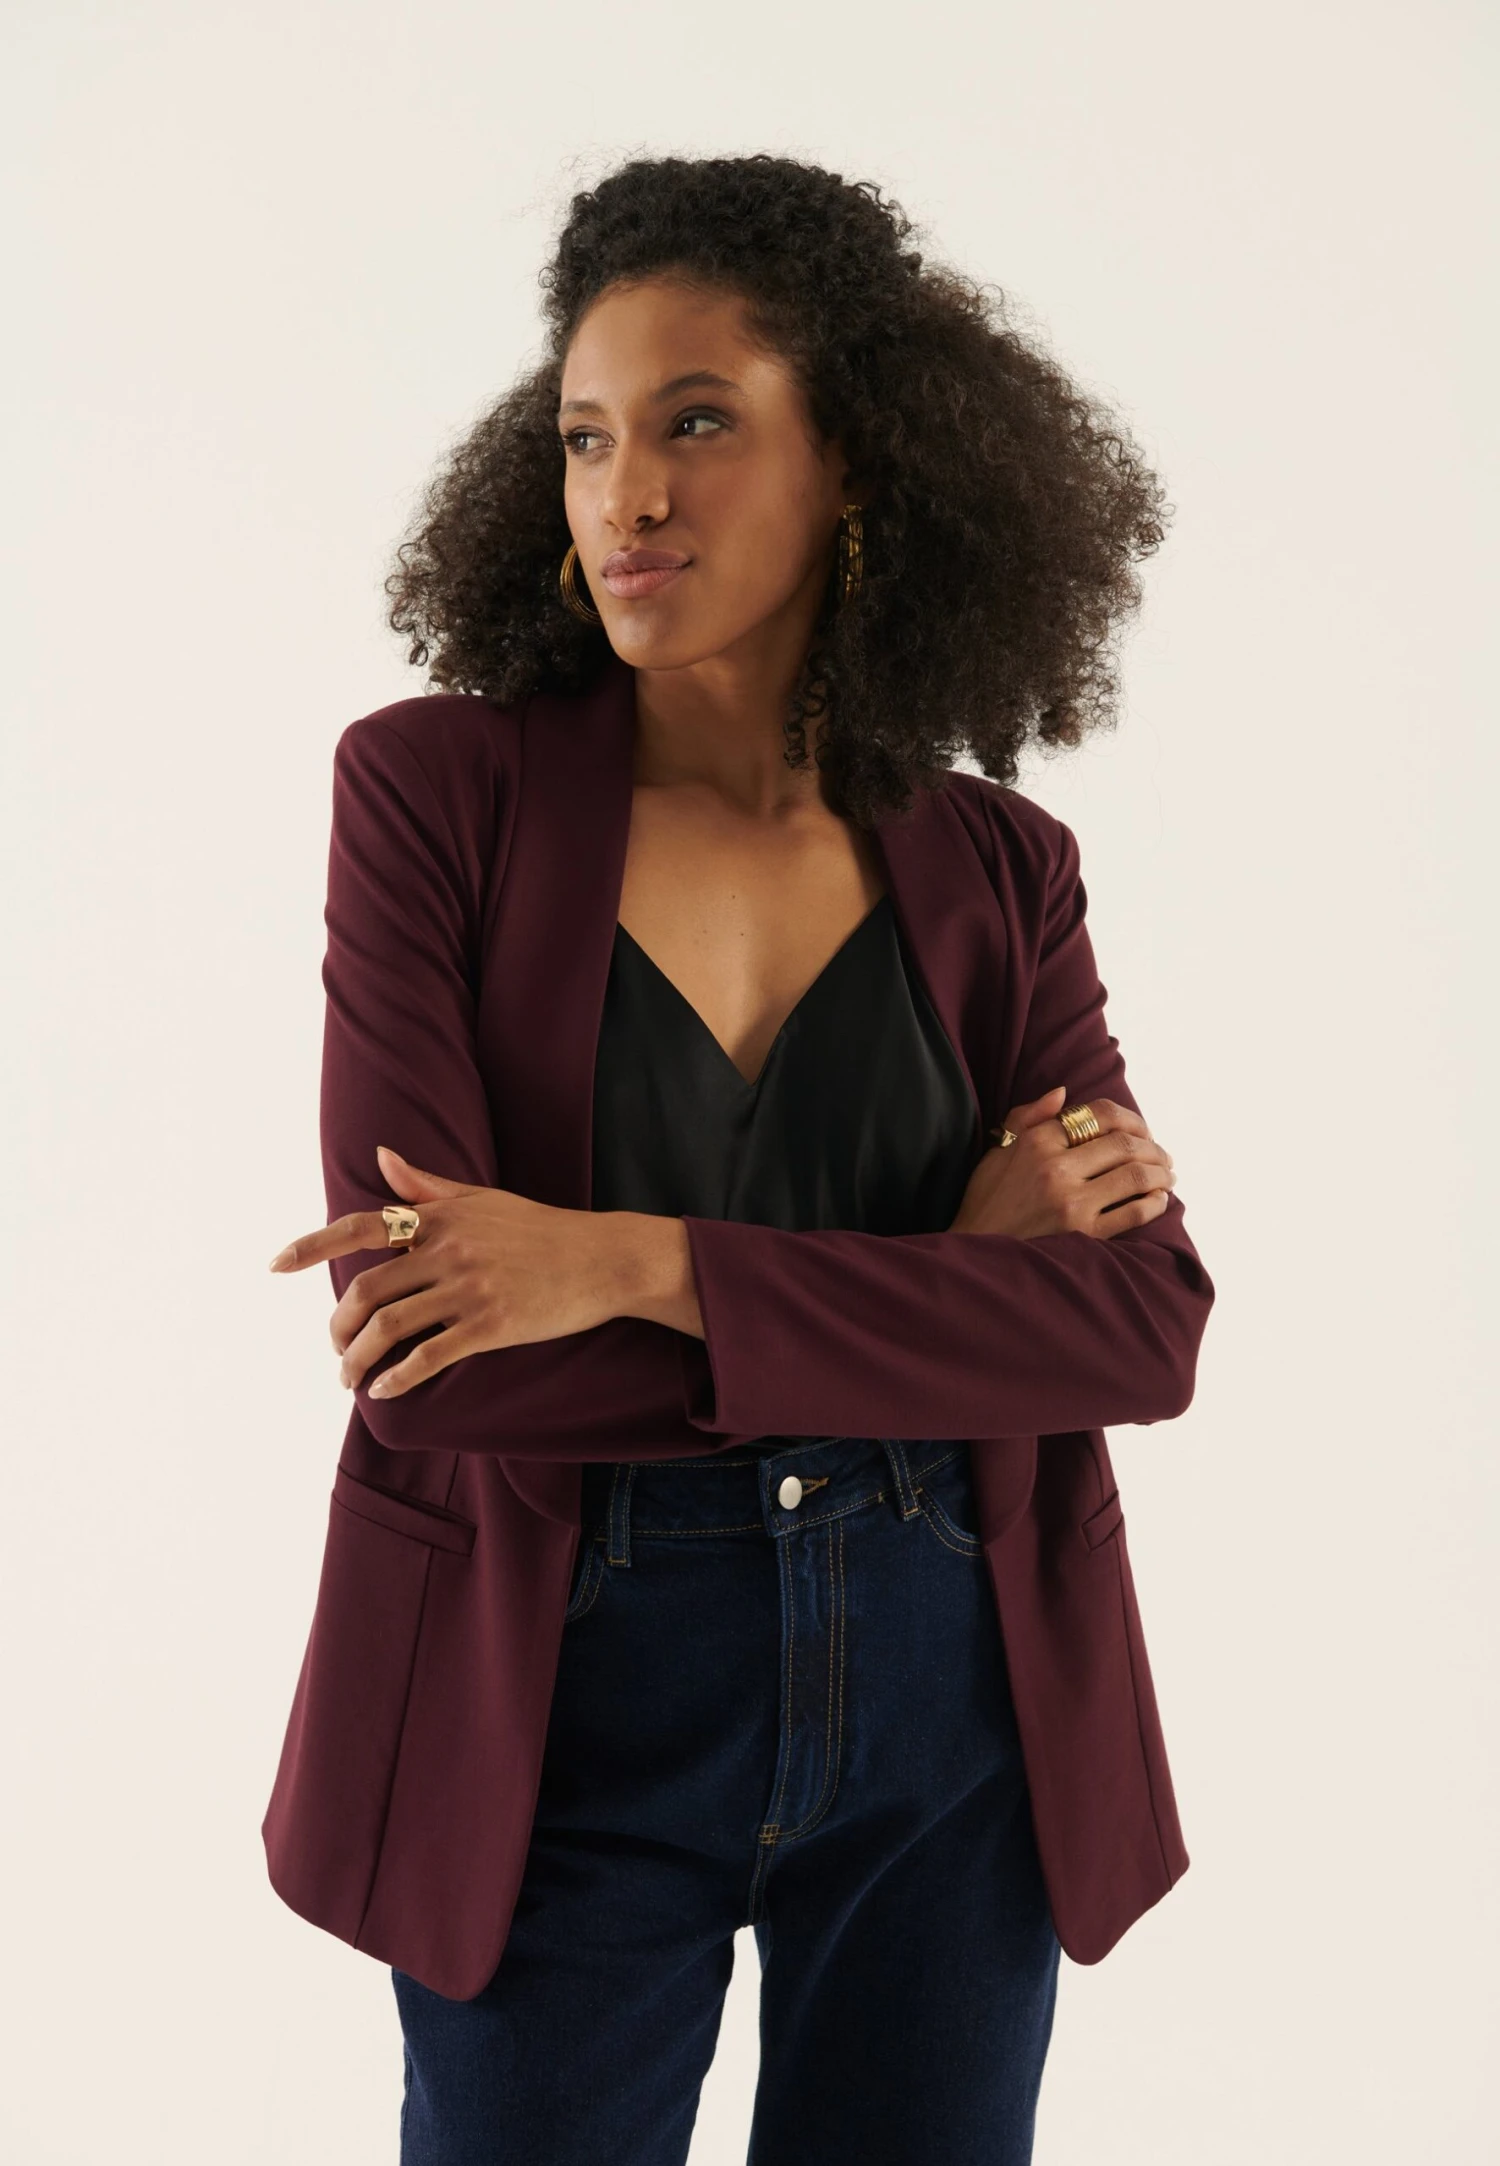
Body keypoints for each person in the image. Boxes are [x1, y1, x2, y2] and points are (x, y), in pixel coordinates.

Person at [263, 151, 1215, 2165]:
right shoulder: (437, 798)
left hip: (952, 1697)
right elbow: (441, 1367)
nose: (629, 493)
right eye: (588, 435)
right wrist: (957, 1285)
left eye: (697, 422)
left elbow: (1140, 1330)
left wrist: (627, 1262)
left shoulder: (999, 867)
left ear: (853, 458)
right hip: (555, 1701)